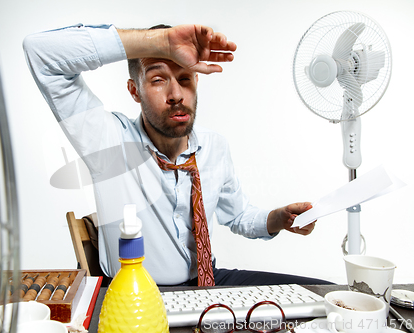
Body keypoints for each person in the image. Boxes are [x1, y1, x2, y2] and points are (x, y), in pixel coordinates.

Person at [23, 23, 331, 286]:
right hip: (137, 296)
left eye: (185, 79)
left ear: (196, 82)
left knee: (322, 296)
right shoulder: (109, 141)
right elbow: (41, 53)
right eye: (158, 80)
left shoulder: (215, 147)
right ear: (134, 91)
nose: (176, 95)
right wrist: (162, 42)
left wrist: (278, 218)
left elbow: (237, 215)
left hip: (208, 282)